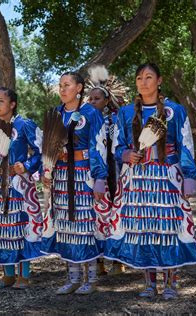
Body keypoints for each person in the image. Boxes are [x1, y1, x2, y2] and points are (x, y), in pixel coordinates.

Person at [104, 63, 196, 300]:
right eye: (139, 78)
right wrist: (125, 154)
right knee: (144, 229)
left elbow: (185, 144)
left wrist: (189, 176)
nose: (143, 82)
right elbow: (117, 145)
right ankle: (149, 284)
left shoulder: (174, 111)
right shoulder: (126, 113)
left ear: (159, 81)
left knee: (168, 228)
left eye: (148, 77)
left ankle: (171, 284)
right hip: (137, 179)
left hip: (167, 176)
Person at [41, 71, 109, 295]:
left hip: (83, 175)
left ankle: (90, 279)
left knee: (84, 226)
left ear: (79, 88)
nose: (62, 89)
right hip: (61, 176)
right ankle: (72, 278)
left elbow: (99, 145)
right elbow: (48, 147)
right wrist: (47, 170)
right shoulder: (56, 114)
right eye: (60, 85)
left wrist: (99, 177)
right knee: (66, 227)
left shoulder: (90, 113)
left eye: (67, 85)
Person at [0, 87, 43, 289]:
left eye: (1, 101)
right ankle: (7, 274)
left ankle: (23, 276)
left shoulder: (24, 125)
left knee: (20, 227)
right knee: (1, 228)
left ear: (12, 104)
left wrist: (26, 166)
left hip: (18, 186)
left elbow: (41, 151)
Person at [86, 65, 129, 276]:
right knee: (95, 216)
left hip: (115, 171)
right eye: (90, 99)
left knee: (115, 213)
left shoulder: (115, 119)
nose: (92, 102)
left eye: (96, 99)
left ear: (106, 101)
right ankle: (99, 260)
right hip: (91, 173)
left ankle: (118, 259)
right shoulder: (82, 121)